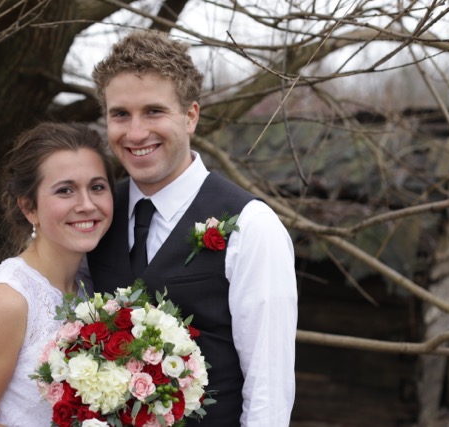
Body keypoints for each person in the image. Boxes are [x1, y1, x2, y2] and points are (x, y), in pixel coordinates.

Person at [86, 30, 298, 426]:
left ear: (190, 116)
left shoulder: (252, 226)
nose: (135, 133)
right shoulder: (95, 215)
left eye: (154, 111)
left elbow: (269, 390)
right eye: (120, 114)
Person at [0, 122, 115, 427]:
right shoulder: (4, 300)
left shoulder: (95, 288)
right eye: (65, 190)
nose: (87, 205)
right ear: (29, 208)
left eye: (97, 187)